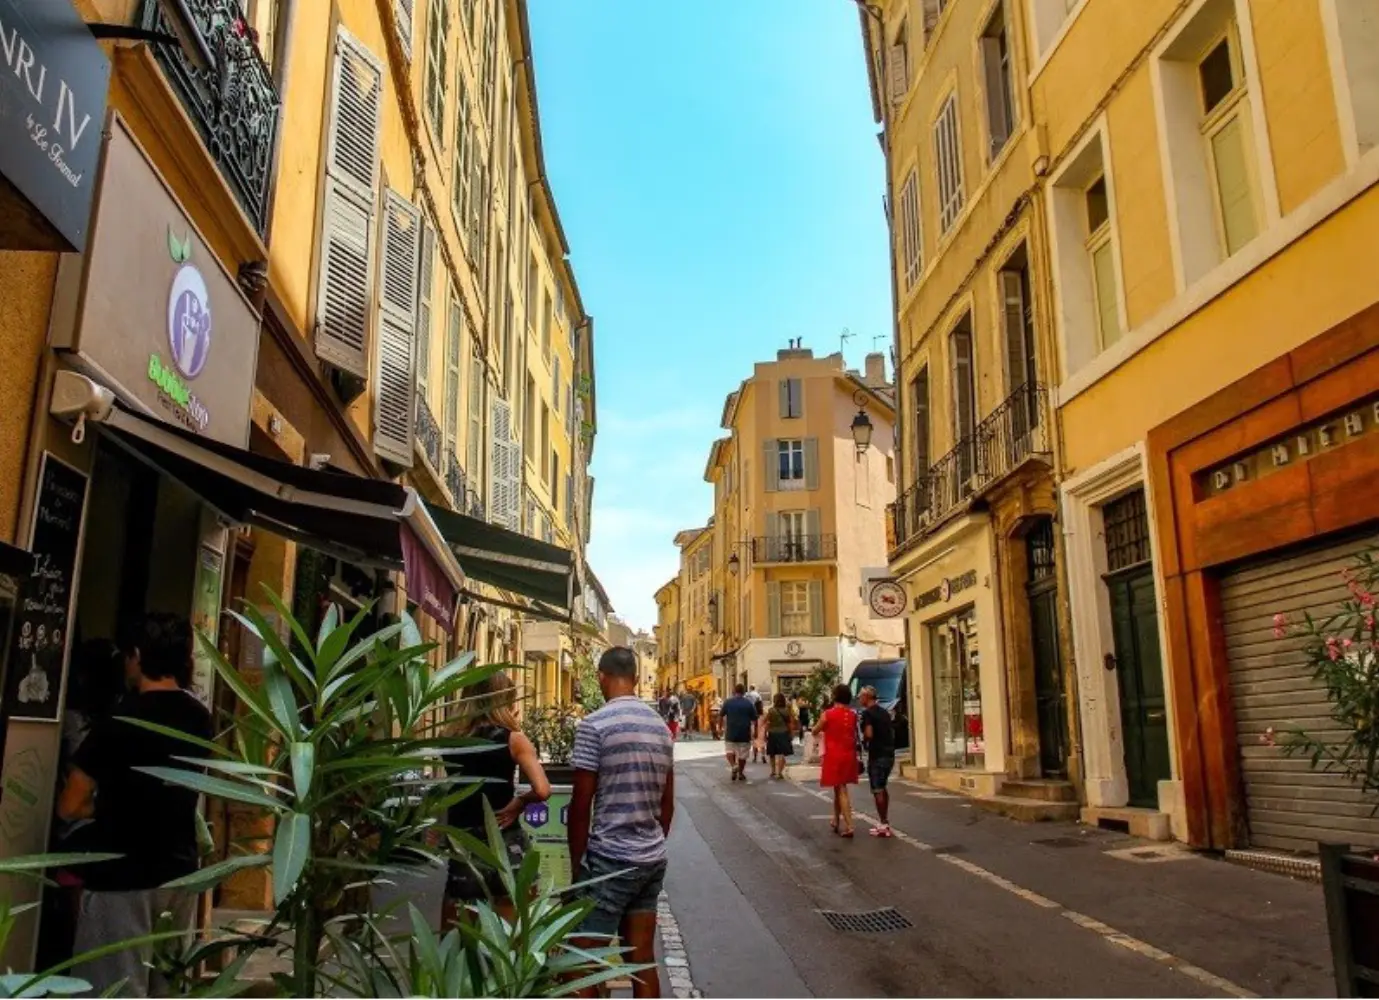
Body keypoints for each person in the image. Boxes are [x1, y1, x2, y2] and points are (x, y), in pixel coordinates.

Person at [57, 615, 213, 997]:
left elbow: (69, 804)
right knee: (166, 984)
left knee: (115, 986)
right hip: (179, 871)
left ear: (138, 656)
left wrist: (99, 809)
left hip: (121, 873)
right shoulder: (199, 718)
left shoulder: (121, 720)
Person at [569, 647, 675, 999]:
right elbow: (667, 803)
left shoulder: (594, 725)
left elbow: (581, 804)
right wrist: (652, 844)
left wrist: (577, 867)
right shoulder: (661, 728)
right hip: (650, 859)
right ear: (633, 677)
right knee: (642, 961)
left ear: (601, 677)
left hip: (608, 861)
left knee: (584, 961)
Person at [442, 671, 551, 924]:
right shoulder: (513, 740)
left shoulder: (450, 740)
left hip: (464, 842)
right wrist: (520, 803)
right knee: (510, 938)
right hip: (505, 840)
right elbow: (543, 789)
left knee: (458, 938)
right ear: (504, 701)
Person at [813, 684, 860, 838]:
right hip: (849, 754)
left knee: (841, 789)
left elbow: (816, 730)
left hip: (834, 754)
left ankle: (849, 825)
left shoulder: (828, 714)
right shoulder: (853, 715)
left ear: (835, 696)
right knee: (839, 788)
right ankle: (836, 819)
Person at [858, 686, 896, 838]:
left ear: (867, 697)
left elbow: (868, 732)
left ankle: (884, 824)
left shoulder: (868, 713)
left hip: (877, 754)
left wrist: (865, 742)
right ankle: (884, 821)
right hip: (889, 754)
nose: (859, 699)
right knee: (883, 786)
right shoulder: (884, 712)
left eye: (861, 696)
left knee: (877, 789)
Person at [719, 684, 757, 782]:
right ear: (744, 692)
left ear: (734, 691)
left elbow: (721, 715)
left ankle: (733, 765)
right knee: (742, 755)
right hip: (744, 732)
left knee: (729, 751)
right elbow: (754, 719)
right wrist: (755, 731)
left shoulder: (728, 702)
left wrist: (720, 728)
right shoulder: (749, 703)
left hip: (731, 731)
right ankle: (740, 773)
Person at [764, 692, 795, 779]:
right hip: (783, 733)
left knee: (772, 753)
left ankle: (773, 771)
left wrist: (764, 734)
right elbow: (790, 724)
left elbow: (766, 723)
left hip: (772, 733)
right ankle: (780, 772)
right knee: (782, 754)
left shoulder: (771, 710)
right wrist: (791, 734)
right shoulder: (787, 711)